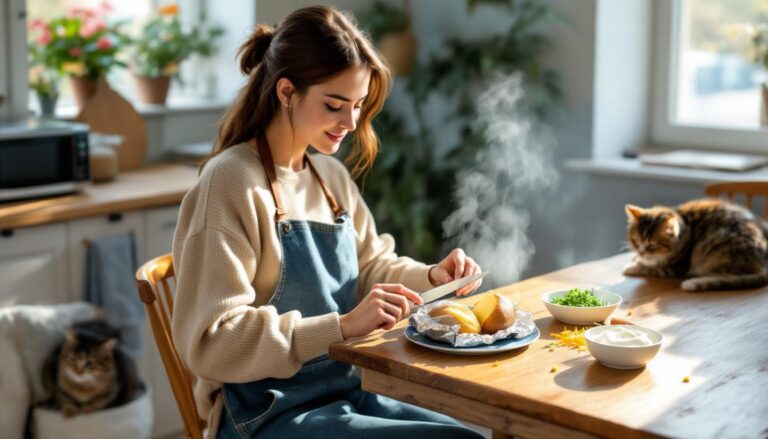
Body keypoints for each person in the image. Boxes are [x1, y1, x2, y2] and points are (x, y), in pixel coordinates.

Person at [172, 5, 485, 438]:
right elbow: (211, 340)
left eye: (357, 106)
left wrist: (432, 277)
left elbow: (373, 267)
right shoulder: (232, 181)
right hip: (266, 413)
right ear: (286, 92)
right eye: (335, 105)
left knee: (469, 434)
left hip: (345, 390)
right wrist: (340, 328)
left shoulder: (330, 176)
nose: (351, 123)